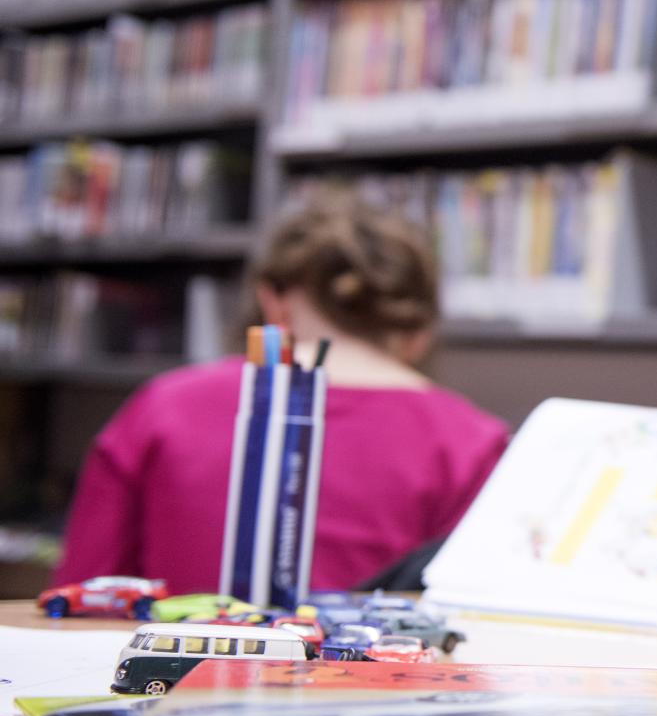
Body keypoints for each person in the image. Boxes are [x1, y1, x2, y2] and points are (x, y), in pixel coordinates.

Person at [54, 194, 511, 595]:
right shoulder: (473, 441)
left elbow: (87, 592)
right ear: (419, 324)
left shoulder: (165, 406)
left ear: (274, 300)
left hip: (170, 684)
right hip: (371, 690)